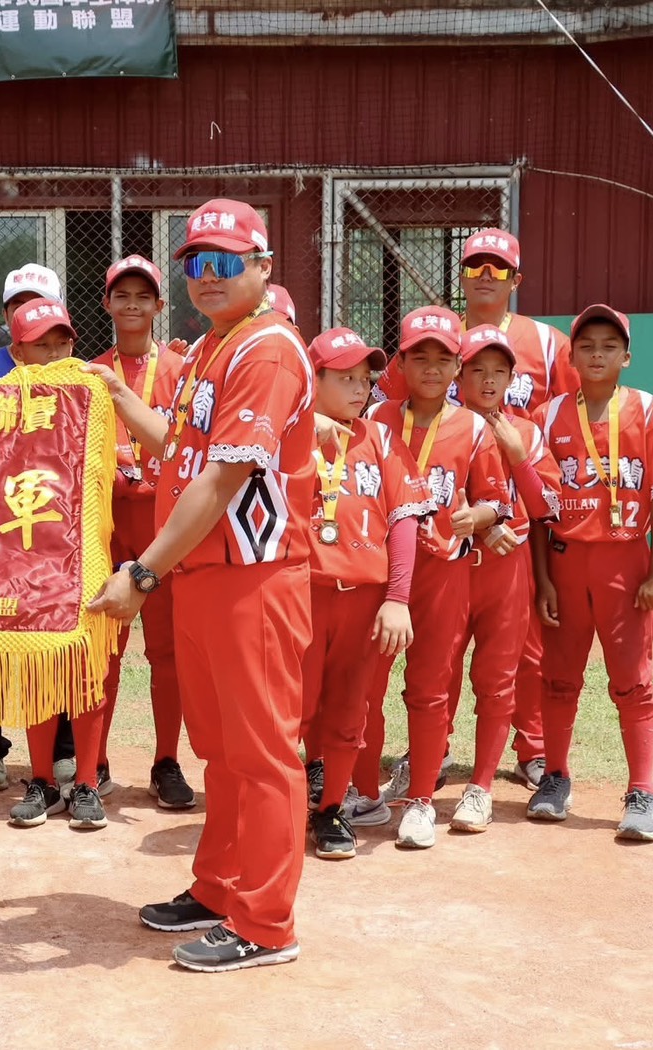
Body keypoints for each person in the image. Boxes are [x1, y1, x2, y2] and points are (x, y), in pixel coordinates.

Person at [87, 199, 315, 972]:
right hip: (205, 574)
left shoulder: (268, 350)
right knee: (218, 748)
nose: (207, 278)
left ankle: (266, 922)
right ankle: (219, 887)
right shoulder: (212, 349)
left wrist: (143, 570)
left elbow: (220, 479)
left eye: (224, 263)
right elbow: (181, 453)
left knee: (261, 752)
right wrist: (120, 402)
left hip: (253, 576)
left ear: (261, 266)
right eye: (195, 263)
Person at [375, 230, 578, 789]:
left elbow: (564, 421)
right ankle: (428, 757)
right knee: (438, 652)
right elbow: (387, 404)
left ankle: (530, 749)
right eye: (475, 266)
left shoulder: (545, 342)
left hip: (515, 513)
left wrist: (515, 484)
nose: (485, 275)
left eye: (498, 267)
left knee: (517, 654)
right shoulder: (435, 336)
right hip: (443, 524)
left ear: (516, 278)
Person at [530, 305, 653, 842]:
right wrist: (544, 578)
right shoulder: (550, 416)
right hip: (564, 558)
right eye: (586, 346)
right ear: (571, 355)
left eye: (608, 346)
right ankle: (555, 776)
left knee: (632, 681)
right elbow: (538, 506)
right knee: (558, 677)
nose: (597, 354)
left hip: (625, 563)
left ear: (626, 355)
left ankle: (642, 790)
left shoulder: (646, 410)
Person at [359, 307, 509, 850]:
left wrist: (480, 517)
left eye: (442, 359)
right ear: (399, 363)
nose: (429, 368)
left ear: (457, 368)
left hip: (444, 573)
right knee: (365, 686)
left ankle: (421, 799)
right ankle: (364, 792)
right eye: (418, 357)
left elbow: (499, 499)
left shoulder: (472, 427)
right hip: (378, 572)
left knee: (428, 688)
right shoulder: (375, 419)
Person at [299, 327, 430, 859]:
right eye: (345, 378)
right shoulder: (292, 436)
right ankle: (284, 810)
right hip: (303, 594)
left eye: (366, 378)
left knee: (350, 709)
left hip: (365, 597)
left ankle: (331, 811)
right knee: (295, 709)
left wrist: (398, 598)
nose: (360, 389)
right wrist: (305, 423)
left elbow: (403, 521)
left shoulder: (379, 438)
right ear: (315, 380)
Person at [442, 325, 562, 834]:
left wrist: (517, 456)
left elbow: (549, 508)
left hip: (505, 573)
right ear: (459, 374)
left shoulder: (528, 431)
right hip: (447, 567)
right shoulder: (440, 424)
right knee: (435, 674)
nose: (488, 380)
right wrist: (481, 523)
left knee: (497, 680)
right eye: (477, 369)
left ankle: (481, 786)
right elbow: (423, 493)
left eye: (499, 371)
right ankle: (427, 773)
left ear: (513, 378)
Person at [88, 255, 196, 811]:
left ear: (159, 305)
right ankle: (94, 761)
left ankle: (166, 760)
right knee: (104, 648)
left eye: (143, 295)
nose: (132, 304)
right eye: (121, 295)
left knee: (167, 652)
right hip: (108, 525)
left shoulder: (180, 373)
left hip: (164, 525)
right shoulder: (91, 372)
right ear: (106, 303)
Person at [0, 298, 107, 831]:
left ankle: (85, 781)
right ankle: (41, 780)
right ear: (17, 352)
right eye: (42, 344)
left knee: (87, 672)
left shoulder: (97, 399)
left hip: (86, 554)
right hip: (26, 557)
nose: (57, 352)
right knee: (39, 671)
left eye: (63, 341)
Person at [0, 262, 76, 793]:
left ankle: (63, 747)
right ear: (8, 318)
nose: (27, 312)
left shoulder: (82, 380)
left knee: (56, 638)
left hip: (56, 531)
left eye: (40, 303)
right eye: (18, 305)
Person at [0, 263, 64, 378]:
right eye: (19, 309)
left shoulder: (84, 376)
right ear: (5, 316)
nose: (27, 317)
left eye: (39, 308)